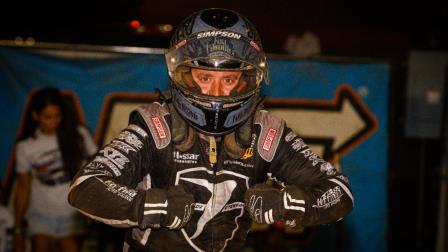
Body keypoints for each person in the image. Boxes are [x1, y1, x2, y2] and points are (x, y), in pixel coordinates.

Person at [68, 8, 354, 251]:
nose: (216, 92)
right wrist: (155, 206)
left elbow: (339, 192)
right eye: (205, 77)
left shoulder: (266, 133)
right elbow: (86, 187)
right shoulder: (154, 126)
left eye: (228, 79)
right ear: (181, 73)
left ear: (248, 79)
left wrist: (288, 203)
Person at [14, 87, 97, 252]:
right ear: (35, 116)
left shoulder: (78, 134)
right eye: (47, 117)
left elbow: (97, 168)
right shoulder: (25, 147)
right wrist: (17, 229)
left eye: (57, 116)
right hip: (39, 213)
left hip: (72, 212)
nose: (53, 121)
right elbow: (23, 188)